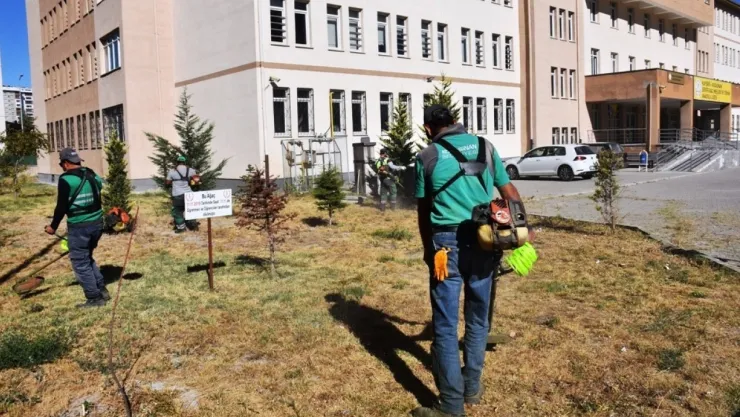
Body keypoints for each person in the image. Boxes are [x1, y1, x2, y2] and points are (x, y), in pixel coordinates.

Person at [412, 105, 532, 417]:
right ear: (455, 121)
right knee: (478, 318)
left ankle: (451, 406)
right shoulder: (485, 147)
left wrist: (427, 249)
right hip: (485, 239)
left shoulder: (427, 156)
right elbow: (509, 191)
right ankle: (472, 387)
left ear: (428, 129)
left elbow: (424, 210)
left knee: (445, 324)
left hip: (445, 247)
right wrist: (522, 229)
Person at [45, 148, 109, 308]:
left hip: (80, 226)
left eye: (61, 164)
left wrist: (53, 227)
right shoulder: (91, 173)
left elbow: (61, 207)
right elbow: (99, 189)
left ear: (66, 163)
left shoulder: (66, 179)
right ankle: (101, 289)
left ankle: (94, 298)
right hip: (97, 223)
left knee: (80, 262)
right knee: (87, 257)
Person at [166, 155, 198, 233]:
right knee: (190, 210)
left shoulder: (172, 171)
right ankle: (193, 226)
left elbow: (167, 182)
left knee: (177, 211)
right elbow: (196, 181)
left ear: (177, 162)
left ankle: (181, 228)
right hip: (189, 194)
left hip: (178, 194)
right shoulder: (191, 170)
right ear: (184, 162)